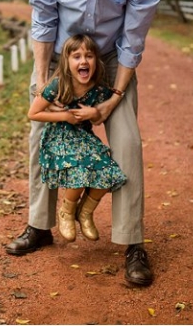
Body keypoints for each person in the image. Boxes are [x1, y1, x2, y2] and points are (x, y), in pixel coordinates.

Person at [5, 0, 161, 287]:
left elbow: (132, 41)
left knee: (126, 142)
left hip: (109, 62)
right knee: (42, 136)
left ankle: (132, 243)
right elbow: (43, 23)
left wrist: (114, 99)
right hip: (61, 59)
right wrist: (44, 85)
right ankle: (40, 226)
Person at [28, 33, 127, 243]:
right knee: (80, 171)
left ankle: (85, 213)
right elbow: (33, 114)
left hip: (83, 137)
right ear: (67, 62)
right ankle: (66, 211)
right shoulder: (58, 85)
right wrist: (63, 116)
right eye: (77, 56)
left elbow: (100, 118)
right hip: (59, 138)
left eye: (89, 56)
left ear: (96, 61)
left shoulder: (99, 88)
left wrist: (94, 113)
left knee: (108, 171)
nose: (83, 61)